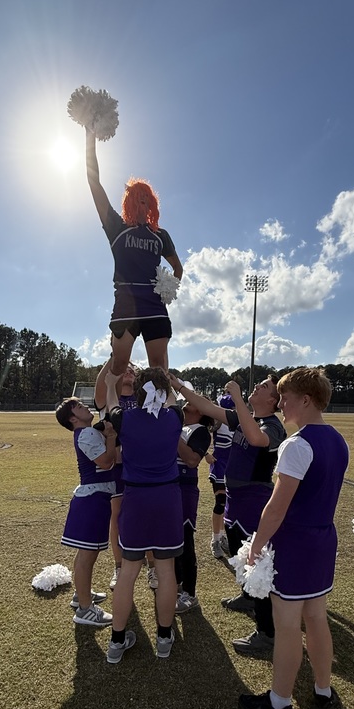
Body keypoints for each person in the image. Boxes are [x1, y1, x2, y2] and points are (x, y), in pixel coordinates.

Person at [238, 368, 349, 709]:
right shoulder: (337, 439)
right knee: (316, 617)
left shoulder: (297, 444)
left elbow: (277, 505)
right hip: (322, 540)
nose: (281, 403)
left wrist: (256, 543)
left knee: (287, 627)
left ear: (306, 399)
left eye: (286, 396)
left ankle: (279, 703)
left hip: (295, 543)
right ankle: (322, 691)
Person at [169, 373, 286, 658]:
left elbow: (258, 440)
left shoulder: (272, 426)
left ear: (273, 400)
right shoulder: (247, 417)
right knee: (238, 552)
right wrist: (178, 386)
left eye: (264, 386)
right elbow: (206, 406)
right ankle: (248, 596)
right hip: (236, 500)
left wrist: (236, 397)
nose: (256, 386)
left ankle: (267, 634)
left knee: (257, 562)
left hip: (254, 501)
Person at [85, 129, 184, 375]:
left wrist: (167, 288)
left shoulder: (160, 235)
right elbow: (94, 182)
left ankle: (160, 411)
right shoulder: (116, 227)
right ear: (129, 200)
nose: (143, 202)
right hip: (126, 303)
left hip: (153, 304)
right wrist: (90, 137)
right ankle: (111, 409)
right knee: (119, 365)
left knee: (159, 368)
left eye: (147, 199)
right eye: (138, 198)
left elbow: (178, 268)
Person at [103, 367, 184, 663]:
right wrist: (168, 380)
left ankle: (116, 641)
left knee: (128, 573)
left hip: (136, 499)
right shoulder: (175, 417)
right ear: (163, 391)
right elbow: (173, 399)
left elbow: (112, 405)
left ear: (138, 391)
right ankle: (164, 637)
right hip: (167, 499)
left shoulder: (125, 419)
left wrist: (112, 382)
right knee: (165, 572)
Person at [94, 359, 159, 594]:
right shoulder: (107, 397)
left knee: (147, 516)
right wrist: (117, 355)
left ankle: (152, 566)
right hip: (119, 467)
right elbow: (102, 383)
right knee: (117, 516)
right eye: (125, 367)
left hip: (144, 466)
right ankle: (119, 566)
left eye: (133, 368)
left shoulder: (145, 397)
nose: (129, 369)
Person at [55, 397, 118, 627]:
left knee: (85, 554)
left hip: (94, 497)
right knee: (87, 556)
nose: (85, 406)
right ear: (73, 418)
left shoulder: (87, 433)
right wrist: (111, 437)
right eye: (79, 407)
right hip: (93, 499)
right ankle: (84, 609)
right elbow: (106, 462)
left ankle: (81, 594)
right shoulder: (87, 434)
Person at [175, 402, 213, 612]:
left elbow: (191, 460)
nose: (188, 401)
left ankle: (189, 593)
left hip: (185, 491)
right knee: (170, 541)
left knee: (184, 541)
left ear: (201, 410)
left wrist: (173, 434)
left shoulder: (201, 432)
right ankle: (175, 585)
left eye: (195, 400)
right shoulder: (180, 427)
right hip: (168, 489)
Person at [207, 394, 235, 559]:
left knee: (228, 505)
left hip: (233, 468)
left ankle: (223, 535)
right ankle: (215, 539)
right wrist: (205, 453)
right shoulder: (216, 421)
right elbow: (198, 433)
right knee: (220, 503)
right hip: (219, 465)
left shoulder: (239, 422)